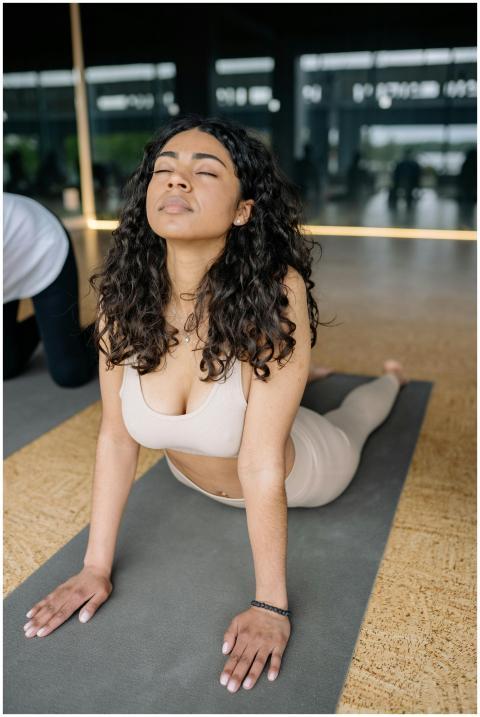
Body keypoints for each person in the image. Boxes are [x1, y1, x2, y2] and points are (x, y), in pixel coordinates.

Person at [21, 115, 408, 694]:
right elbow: (117, 437)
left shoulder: (277, 292)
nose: (177, 182)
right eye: (164, 172)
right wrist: (94, 567)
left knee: (357, 417)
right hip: (194, 473)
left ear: (242, 210)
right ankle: (295, 375)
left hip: (299, 470)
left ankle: (390, 381)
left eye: (204, 172)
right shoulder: (125, 295)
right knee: (272, 392)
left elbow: (260, 461)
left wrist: (270, 606)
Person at [3, 193, 97, 385]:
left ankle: (112, 326)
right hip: (7, 268)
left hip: (41, 245)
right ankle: (46, 322)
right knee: (6, 366)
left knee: (70, 373)